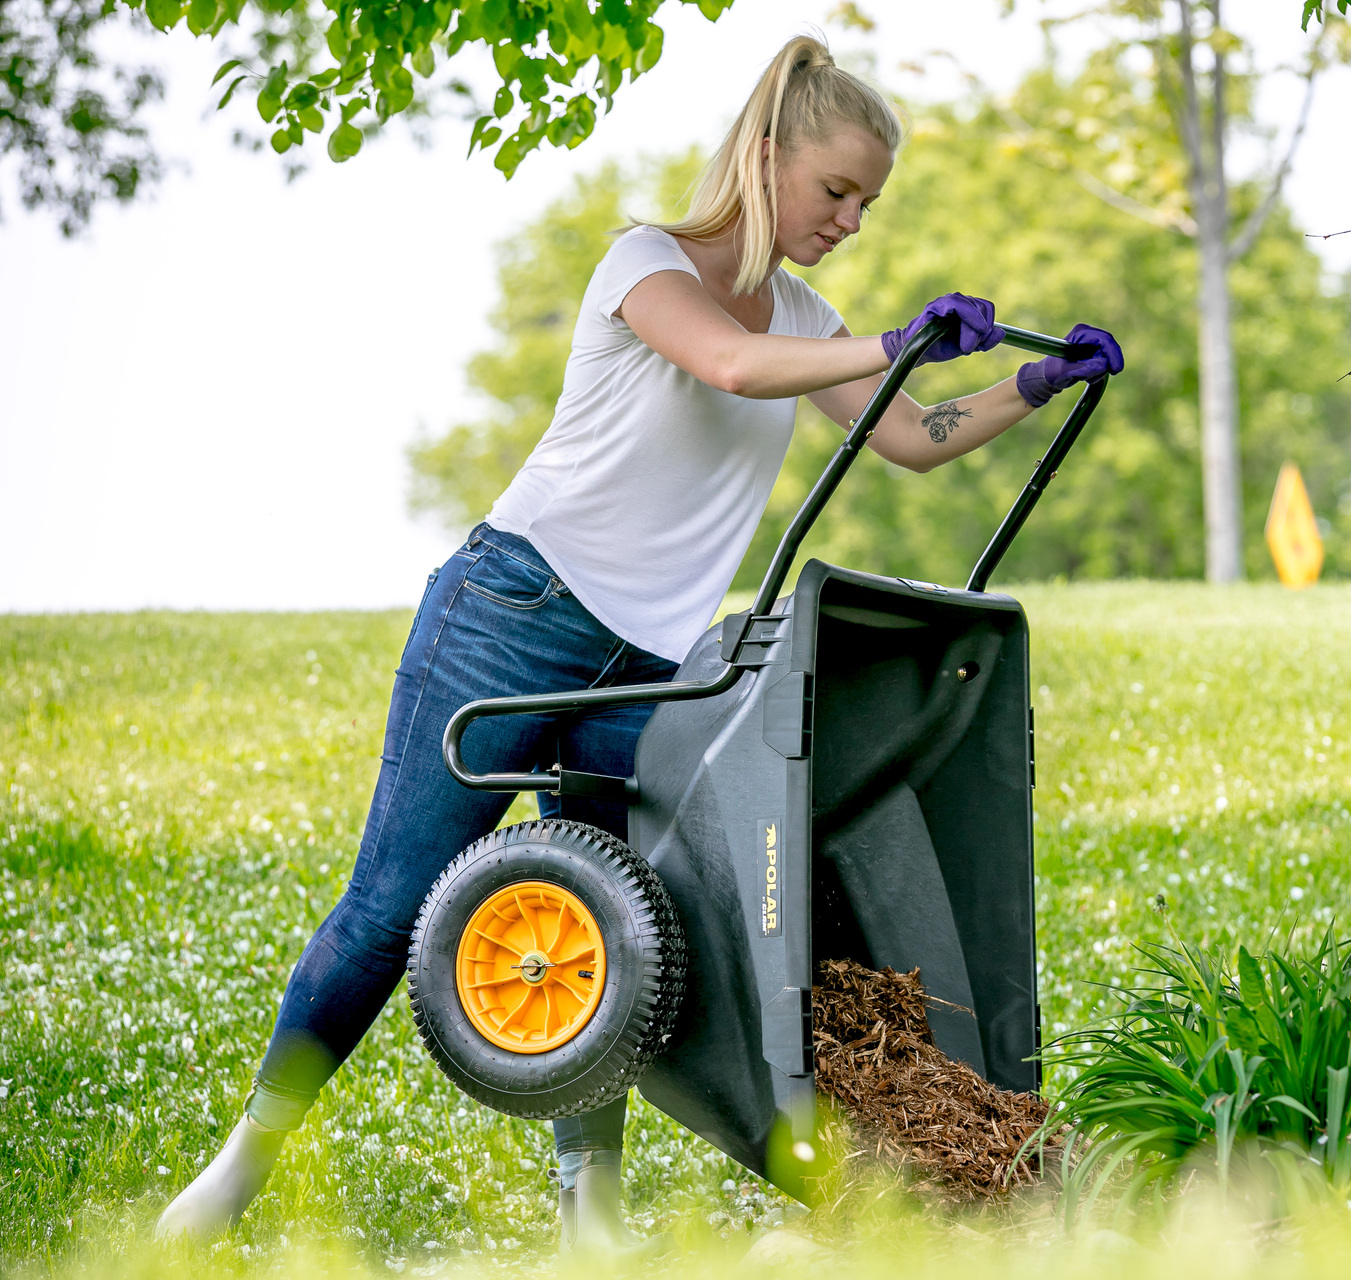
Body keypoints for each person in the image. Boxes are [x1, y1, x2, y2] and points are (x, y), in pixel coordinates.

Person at [156, 33, 1122, 1252]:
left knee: (624, 925)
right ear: (766, 156)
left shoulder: (810, 316)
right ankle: (245, 1160)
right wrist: (889, 345)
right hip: (513, 611)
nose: (852, 220)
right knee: (393, 903)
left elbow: (910, 435)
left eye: (869, 202)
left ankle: (591, 1216)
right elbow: (729, 360)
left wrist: (1030, 388)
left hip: (650, 672)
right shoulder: (645, 263)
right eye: (837, 191)